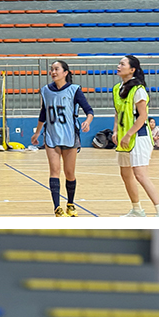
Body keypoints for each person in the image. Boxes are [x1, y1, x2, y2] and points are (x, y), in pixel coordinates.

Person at [30, 60, 94, 217]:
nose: (53, 72)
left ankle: (70, 204)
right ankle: (57, 208)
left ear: (65, 73)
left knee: (69, 173)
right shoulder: (45, 90)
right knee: (54, 171)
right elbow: (43, 113)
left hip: (70, 136)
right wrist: (37, 132)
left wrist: (88, 121)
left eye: (56, 69)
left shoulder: (74, 90)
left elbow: (89, 110)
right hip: (51, 136)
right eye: (51, 69)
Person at [112, 55, 159, 218]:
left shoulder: (139, 90)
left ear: (132, 69)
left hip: (139, 137)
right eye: (119, 63)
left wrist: (129, 134)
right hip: (124, 137)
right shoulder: (117, 88)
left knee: (140, 175)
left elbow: (143, 116)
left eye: (122, 64)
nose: (118, 66)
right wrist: (116, 131)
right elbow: (117, 112)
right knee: (125, 174)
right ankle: (137, 209)